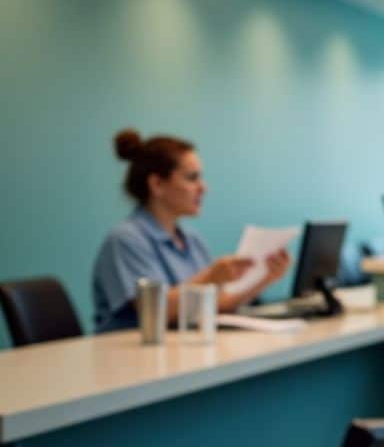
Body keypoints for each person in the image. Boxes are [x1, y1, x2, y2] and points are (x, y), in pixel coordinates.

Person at [92, 129, 291, 334]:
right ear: (157, 184)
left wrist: (265, 279)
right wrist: (211, 277)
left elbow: (218, 304)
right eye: (192, 178)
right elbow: (156, 312)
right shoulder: (126, 240)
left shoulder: (192, 240)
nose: (203, 188)